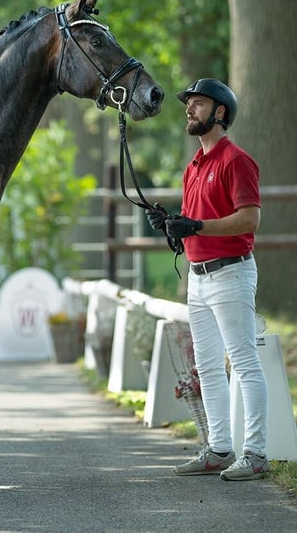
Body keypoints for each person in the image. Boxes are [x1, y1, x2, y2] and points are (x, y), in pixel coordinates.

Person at [146, 78, 269, 481]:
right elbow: (194, 224)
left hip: (231, 272)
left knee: (245, 363)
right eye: (189, 104)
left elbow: (248, 219)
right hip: (199, 279)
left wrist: (195, 226)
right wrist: (171, 226)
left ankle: (255, 452)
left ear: (219, 112)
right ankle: (219, 447)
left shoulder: (236, 161)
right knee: (209, 366)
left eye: (198, 104)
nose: (189, 109)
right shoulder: (194, 166)